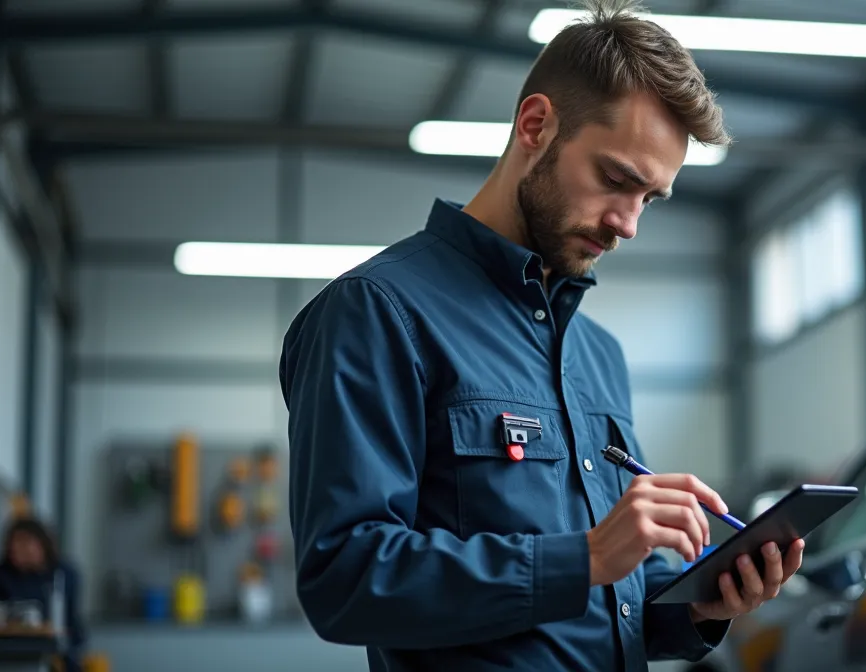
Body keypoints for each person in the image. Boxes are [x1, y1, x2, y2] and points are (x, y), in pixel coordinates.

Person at [279, 1, 805, 669]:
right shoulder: (377, 314)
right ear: (536, 125)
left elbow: (608, 600)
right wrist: (582, 556)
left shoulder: (598, 356)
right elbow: (343, 580)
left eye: (650, 198)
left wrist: (699, 606)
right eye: (616, 180)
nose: (628, 223)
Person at [0, 516, 87, 672]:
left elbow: (72, 621)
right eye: (12, 542)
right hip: (10, 650)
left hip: (60, 649)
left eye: (24, 542)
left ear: (41, 545)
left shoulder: (64, 574)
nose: (15, 548)